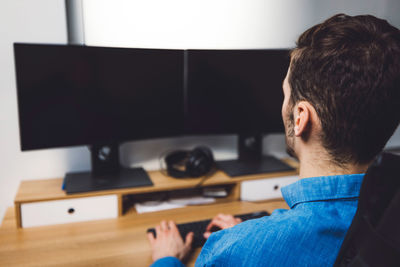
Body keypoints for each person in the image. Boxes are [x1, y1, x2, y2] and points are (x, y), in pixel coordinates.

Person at [147, 13, 400, 266]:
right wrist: (259, 235)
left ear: (300, 117)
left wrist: (167, 259)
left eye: (285, 93)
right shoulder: (387, 222)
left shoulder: (232, 250)